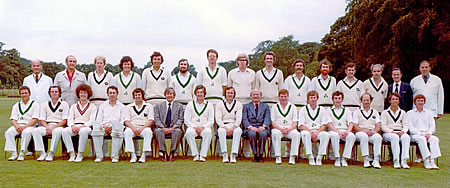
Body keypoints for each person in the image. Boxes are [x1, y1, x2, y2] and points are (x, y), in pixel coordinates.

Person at [227, 53, 255, 158]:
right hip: (236, 103)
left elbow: (254, 89)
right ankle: (237, 150)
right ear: (237, 61)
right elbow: (229, 89)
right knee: (237, 127)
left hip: (248, 103)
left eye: (244, 60)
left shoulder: (252, 73)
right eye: (240, 60)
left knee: (247, 127)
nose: (242, 62)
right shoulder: (232, 73)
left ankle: (246, 151)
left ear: (247, 62)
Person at [31, 86, 69, 161]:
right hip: (47, 126)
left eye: (56, 92)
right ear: (49, 93)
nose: (54, 93)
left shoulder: (64, 104)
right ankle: (42, 153)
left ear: (59, 93)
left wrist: (53, 127)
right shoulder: (44, 104)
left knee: (57, 131)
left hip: (59, 126)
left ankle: (51, 153)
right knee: (36, 131)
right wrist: (48, 127)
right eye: (52, 92)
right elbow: (42, 119)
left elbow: (65, 120)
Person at [93, 86, 129, 163]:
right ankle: (99, 156)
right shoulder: (103, 106)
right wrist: (104, 126)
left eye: (113, 93)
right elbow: (99, 119)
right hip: (104, 126)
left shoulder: (122, 106)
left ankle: (115, 156)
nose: (112, 95)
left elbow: (122, 121)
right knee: (96, 131)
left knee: (117, 130)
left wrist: (112, 126)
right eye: (110, 93)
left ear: (117, 94)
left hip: (116, 127)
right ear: (107, 94)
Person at [61, 84, 97, 162]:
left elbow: (92, 120)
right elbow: (70, 118)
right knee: (65, 131)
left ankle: (80, 154)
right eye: (81, 93)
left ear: (88, 94)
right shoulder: (74, 106)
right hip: (75, 126)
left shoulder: (93, 106)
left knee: (83, 131)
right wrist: (72, 126)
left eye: (85, 93)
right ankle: (72, 153)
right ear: (78, 94)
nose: (83, 95)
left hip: (86, 127)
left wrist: (83, 126)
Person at [4, 86, 40, 161]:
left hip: (30, 126)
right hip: (18, 125)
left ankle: (22, 153)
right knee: (9, 132)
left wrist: (25, 127)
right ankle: (13, 153)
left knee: (26, 133)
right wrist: (17, 127)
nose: (24, 95)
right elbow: (13, 119)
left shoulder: (35, 104)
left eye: (26, 93)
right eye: (22, 93)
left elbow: (35, 119)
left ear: (29, 94)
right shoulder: (16, 105)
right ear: (20, 95)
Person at [407, 94, 441, 169]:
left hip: (427, 134)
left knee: (435, 139)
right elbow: (410, 127)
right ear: (415, 102)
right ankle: (426, 160)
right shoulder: (410, 113)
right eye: (418, 101)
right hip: (415, 135)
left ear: (424, 102)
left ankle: (432, 160)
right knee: (421, 139)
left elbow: (432, 125)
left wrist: (429, 133)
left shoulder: (429, 113)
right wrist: (420, 134)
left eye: (422, 101)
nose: (420, 102)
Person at [298, 90, 330, 166]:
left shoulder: (322, 109)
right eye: (311, 98)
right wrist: (311, 132)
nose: (313, 99)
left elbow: (324, 125)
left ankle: (319, 157)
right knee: (305, 134)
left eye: (314, 97)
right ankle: (310, 157)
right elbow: (301, 125)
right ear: (308, 99)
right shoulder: (303, 109)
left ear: (317, 98)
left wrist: (317, 132)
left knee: (326, 135)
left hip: (318, 131)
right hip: (307, 131)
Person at [124, 88, 154, 163]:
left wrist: (141, 128)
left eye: (139, 95)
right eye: (136, 95)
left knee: (148, 132)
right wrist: (133, 129)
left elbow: (151, 120)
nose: (137, 96)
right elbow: (126, 121)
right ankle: (133, 156)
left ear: (142, 96)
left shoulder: (149, 106)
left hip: (144, 127)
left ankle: (143, 156)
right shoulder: (128, 107)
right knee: (127, 132)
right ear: (133, 97)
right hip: (132, 127)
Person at [184, 85, 214, 162]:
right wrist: (194, 127)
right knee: (188, 133)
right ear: (195, 93)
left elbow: (211, 121)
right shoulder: (190, 104)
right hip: (193, 127)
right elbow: (186, 120)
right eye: (198, 92)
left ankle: (203, 155)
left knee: (208, 132)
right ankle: (195, 154)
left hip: (204, 127)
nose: (199, 94)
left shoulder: (209, 105)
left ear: (204, 94)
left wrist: (203, 127)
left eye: (201, 92)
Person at [352, 93, 382, 168]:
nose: (366, 102)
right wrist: (363, 130)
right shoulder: (357, 111)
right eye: (364, 100)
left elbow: (378, 124)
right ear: (361, 101)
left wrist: (374, 131)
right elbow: (355, 126)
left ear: (371, 101)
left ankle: (376, 160)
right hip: (360, 133)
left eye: (368, 100)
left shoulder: (375, 112)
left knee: (378, 137)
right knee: (364, 136)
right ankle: (366, 160)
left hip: (371, 132)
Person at [154, 87, 184, 162]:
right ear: (165, 95)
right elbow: (156, 119)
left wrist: (172, 128)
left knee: (177, 131)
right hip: (162, 128)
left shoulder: (179, 106)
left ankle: (172, 152)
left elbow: (181, 119)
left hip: (174, 128)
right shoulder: (158, 106)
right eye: (167, 94)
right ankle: (163, 152)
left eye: (171, 94)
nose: (169, 95)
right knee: (158, 131)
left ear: (174, 95)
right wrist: (163, 128)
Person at [270, 89, 300, 165]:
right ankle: (278, 156)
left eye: (285, 96)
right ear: (278, 97)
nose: (283, 98)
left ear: (288, 97)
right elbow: (272, 121)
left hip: (289, 129)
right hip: (278, 128)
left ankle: (292, 156)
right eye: (282, 96)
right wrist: (280, 129)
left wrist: (289, 129)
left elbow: (295, 122)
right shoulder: (274, 107)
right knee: (275, 133)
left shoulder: (292, 107)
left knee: (296, 134)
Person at [381, 93, 410, 169]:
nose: (395, 101)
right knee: (394, 137)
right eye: (393, 99)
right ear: (390, 101)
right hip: (388, 133)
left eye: (396, 99)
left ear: (399, 101)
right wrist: (391, 131)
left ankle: (404, 161)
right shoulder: (385, 112)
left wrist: (403, 131)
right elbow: (383, 126)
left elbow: (406, 125)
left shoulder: (403, 112)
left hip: (400, 132)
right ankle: (396, 160)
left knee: (406, 137)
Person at [326, 91, 355, 167]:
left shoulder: (347, 110)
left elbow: (351, 123)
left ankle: (344, 158)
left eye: (339, 98)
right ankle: (337, 158)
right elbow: (329, 124)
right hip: (333, 131)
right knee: (334, 136)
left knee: (352, 136)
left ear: (342, 99)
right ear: (332, 99)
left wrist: (347, 132)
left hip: (344, 130)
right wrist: (338, 132)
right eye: (335, 98)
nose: (337, 100)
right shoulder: (329, 110)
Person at [242, 89, 271, 163]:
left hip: (262, 127)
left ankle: (261, 155)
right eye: (254, 94)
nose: (255, 96)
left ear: (260, 96)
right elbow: (244, 119)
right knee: (252, 134)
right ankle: (255, 154)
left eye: (257, 94)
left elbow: (267, 118)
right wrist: (251, 127)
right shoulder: (246, 106)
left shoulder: (266, 106)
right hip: (250, 128)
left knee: (263, 134)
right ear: (251, 96)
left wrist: (263, 127)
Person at [215, 87, 243, 163]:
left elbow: (239, 118)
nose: (230, 95)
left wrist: (234, 127)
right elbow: (218, 118)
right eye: (228, 93)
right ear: (225, 94)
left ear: (234, 94)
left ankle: (233, 154)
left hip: (234, 125)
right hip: (224, 125)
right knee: (221, 131)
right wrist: (224, 127)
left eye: (231, 93)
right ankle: (224, 154)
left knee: (238, 131)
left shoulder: (238, 104)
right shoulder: (219, 104)